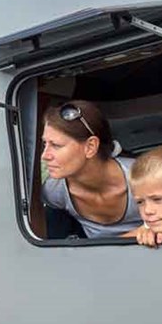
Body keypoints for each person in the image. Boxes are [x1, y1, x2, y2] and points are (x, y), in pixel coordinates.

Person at [41, 100, 141, 238]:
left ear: (90, 147)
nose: (45, 155)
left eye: (56, 145)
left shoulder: (144, 177)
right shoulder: (54, 191)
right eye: (45, 144)